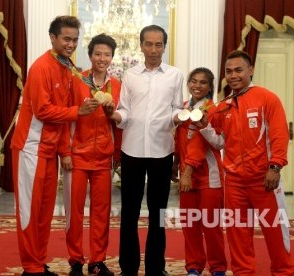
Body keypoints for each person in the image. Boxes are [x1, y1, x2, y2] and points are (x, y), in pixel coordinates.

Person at [10, 15, 99, 276]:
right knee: (29, 210)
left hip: (49, 149)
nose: (71, 44)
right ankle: (31, 267)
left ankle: (38, 261)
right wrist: (78, 112)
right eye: (66, 39)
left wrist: (63, 151)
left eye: (75, 39)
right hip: (30, 147)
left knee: (45, 212)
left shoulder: (68, 66)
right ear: (53, 38)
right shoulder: (41, 67)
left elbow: (61, 118)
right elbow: (43, 110)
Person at [201, 50, 294, 275]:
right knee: (238, 236)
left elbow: (279, 135)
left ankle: (284, 272)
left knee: (276, 233)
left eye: (238, 70)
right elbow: (220, 142)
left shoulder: (266, 98)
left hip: (264, 181)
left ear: (250, 70)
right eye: (228, 71)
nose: (233, 75)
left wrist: (275, 166)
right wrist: (205, 126)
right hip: (234, 183)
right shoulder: (223, 106)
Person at [104, 24, 184, 276]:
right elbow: (125, 111)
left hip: (162, 149)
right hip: (132, 150)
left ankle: (155, 268)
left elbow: (175, 108)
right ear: (141, 46)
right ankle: (128, 268)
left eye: (158, 44)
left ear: (164, 46)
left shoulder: (175, 75)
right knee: (129, 211)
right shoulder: (130, 76)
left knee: (158, 214)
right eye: (148, 44)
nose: (153, 49)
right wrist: (114, 115)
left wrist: (178, 117)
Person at [59, 33, 122, 276]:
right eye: (98, 54)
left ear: (112, 58)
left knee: (101, 212)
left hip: (103, 157)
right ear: (90, 55)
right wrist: (64, 151)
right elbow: (65, 117)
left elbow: (119, 123)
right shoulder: (77, 81)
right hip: (76, 157)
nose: (102, 58)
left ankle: (97, 261)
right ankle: (75, 260)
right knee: (74, 212)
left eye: (107, 55)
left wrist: (116, 154)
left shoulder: (116, 86)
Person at [171, 68, 227, 276]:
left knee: (211, 227)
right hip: (187, 174)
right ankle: (193, 267)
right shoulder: (184, 109)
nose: (197, 86)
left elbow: (201, 143)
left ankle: (218, 268)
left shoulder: (214, 109)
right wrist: (176, 163)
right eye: (193, 81)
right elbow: (180, 139)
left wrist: (187, 171)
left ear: (210, 87)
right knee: (190, 225)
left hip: (209, 177)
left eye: (203, 83)